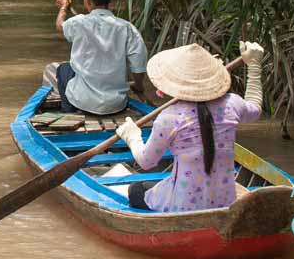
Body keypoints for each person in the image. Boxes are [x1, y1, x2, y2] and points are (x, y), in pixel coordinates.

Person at [110, 41, 265, 212]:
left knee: (136, 189)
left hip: (182, 205)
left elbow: (146, 162)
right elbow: (255, 107)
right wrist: (254, 66)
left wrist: (132, 137)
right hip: (225, 201)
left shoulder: (169, 118)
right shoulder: (232, 104)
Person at [44, 0, 148, 115]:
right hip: (116, 104)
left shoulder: (78, 22)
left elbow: (60, 25)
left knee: (63, 69)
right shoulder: (127, 28)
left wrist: (63, 7)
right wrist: (138, 86)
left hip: (84, 101)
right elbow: (138, 64)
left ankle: (68, 111)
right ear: (109, 0)